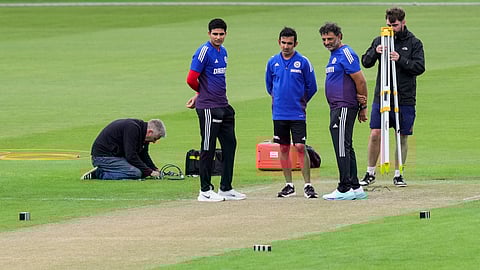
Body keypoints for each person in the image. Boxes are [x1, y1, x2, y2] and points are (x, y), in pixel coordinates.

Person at [359, 7, 425, 187]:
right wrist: (376, 51)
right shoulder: (381, 39)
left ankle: (399, 173)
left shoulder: (414, 43)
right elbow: (366, 62)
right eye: (389, 24)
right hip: (382, 95)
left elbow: (419, 67)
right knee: (375, 133)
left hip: (405, 97)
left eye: (395, 25)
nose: (391, 28)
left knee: (402, 135)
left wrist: (400, 59)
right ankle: (370, 172)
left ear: (403, 22)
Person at [185, 18, 246, 202]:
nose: (218, 37)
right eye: (215, 34)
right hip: (209, 108)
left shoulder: (224, 51)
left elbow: (211, 79)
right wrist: (200, 94)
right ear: (209, 34)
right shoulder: (204, 51)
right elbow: (191, 78)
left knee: (230, 145)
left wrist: (199, 94)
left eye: (221, 34)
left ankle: (226, 188)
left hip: (223, 105)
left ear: (226, 34)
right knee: (208, 146)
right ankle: (204, 190)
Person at [265, 27, 318, 199]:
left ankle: (308, 185)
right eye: (283, 43)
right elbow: (269, 86)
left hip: (297, 113)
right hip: (279, 114)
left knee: (301, 147)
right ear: (278, 42)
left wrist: (301, 102)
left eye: (289, 43)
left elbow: (312, 87)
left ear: (295, 43)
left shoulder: (303, 62)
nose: (286, 46)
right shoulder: (272, 62)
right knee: (284, 148)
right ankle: (289, 185)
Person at [319, 22, 369, 200]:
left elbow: (361, 81)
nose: (326, 42)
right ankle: (355, 186)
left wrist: (363, 106)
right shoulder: (335, 55)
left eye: (330, 39)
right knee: (346, 145)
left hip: (344, 106)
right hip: (339, 107)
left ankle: (344, 187)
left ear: (340, 36)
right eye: (324, 39)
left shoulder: (345, 53)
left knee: (341, 146)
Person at [80, 118, 166, 180]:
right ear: (150, 132)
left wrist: (155, 169)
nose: (154, 142)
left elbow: (144, 154)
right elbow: (131, 156)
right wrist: (150, 172)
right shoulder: (133, 128)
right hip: (103, 157)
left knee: (143, 171)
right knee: (135, 173)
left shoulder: (143, 133)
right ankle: (100, 173)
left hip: (116, 156)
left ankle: (106, 170)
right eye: (155, 139)